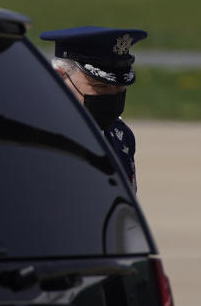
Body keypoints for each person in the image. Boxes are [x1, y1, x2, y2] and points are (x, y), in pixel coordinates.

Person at [39, 26, 147, 190]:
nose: (113, 95)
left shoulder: (120, 136)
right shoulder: (36, 140)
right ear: (60, 78)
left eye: (120, 87)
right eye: (101, 86)